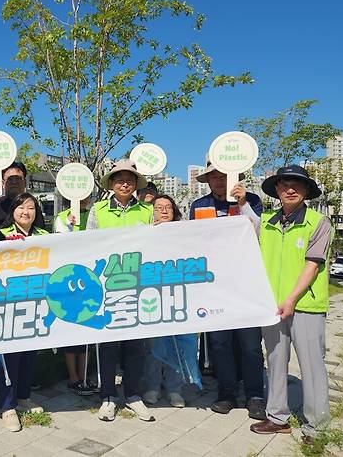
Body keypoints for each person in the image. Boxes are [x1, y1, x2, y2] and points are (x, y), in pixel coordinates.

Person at [244, 166, 332, 444]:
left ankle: (317, 426)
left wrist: (292, 299)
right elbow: (244, 228)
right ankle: (277, 417)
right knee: (275, 362)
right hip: (271, 306)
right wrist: (241, 200)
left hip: (305, 305)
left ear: (306, 190)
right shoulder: (267, 220)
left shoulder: (319, 222)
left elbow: (312, 265)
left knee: (312, 366)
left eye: (297, 184)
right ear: (277, 190)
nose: (290, 189)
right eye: (284, 184)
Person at [190, 161, 266, 420]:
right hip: (214, 286)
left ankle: (255, 394)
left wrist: (242, 203)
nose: (219, 180)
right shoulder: (198, 206)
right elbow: (189, 241)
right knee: (219, 344)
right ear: (207, 180)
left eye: (223, 175)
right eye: (214, 176)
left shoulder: (252, 200)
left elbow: (257, 231)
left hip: (246, 284)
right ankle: (227, 392)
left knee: (251, 345)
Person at [86, 159, 155, 423]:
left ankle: (133, 395)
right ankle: (108, 396)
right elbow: (89, 245)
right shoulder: (98, 210)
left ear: (136, 183)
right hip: (107, 286)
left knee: (136, 345)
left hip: (138, 286)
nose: (124, 183)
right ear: (111, 184)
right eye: (119, 179)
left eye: (129, 179)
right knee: (108, 344)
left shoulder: (147, 211)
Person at [0, 192, 49, 432]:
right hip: (9, 304)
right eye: (21, 207)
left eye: (31, 208)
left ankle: (23, 397)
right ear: (12, 211)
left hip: (37, 302)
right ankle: (7, 406)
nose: (26, 212)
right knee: (10, 357)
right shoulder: (0, 234)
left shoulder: (46, 236)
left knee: (29, 354)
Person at [142, 194, 186, 408]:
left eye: (168, 207)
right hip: (153, 295)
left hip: (179, 294)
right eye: (159, 207)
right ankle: (152, 386)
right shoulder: (145, 232)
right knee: (155, 345)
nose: (164, 211)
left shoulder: (184, 232)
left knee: (178, 345)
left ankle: (175, 389)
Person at [53, 196, 95, 395]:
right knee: (70, 330)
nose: (83, 198)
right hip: (68, 278)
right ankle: (73, 377)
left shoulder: (94, 214)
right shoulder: (61, 217)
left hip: (90, 278)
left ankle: (85, 374)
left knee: (86, 331)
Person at [0, 161, 46, 229]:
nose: (14, 182)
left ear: (25, 182)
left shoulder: (33, 207)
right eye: (10, 179)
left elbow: (40, 233)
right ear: (3, 183)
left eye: (18, 178)